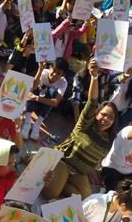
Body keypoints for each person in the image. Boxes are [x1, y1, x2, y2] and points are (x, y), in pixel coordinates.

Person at [44, 58, 117, 199]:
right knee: (51, 194)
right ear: (96, 114)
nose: (105, 119)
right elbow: (92, 101)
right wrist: (95, 77)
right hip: (64, 162)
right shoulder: (86, 123)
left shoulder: (110, 138)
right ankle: (50, 171)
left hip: (80, 174)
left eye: (110, 117)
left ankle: (61, 183)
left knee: (86, 200)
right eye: (103, 114)